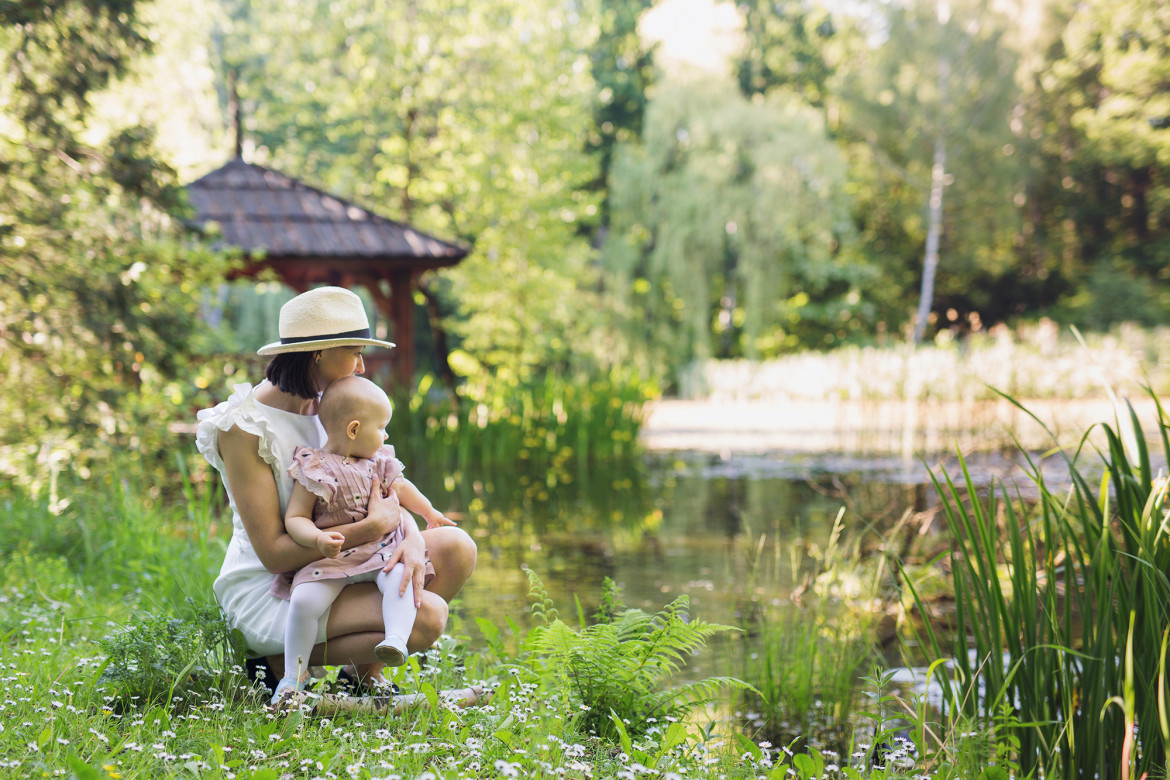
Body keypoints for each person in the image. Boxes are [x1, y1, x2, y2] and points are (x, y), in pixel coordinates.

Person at [195, 286, 476, 694]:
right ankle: (273, 662)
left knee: (457, 548)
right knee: (429, 616)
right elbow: (274, 554)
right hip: (276, 584)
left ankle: (361, 680)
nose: (361, 365)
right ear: (318, 353)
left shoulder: (341, 404)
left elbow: (382, 488)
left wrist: (412, 536)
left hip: (349, 558)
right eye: (355, 351)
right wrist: (369, 529)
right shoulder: (244, 427)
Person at [271, 375, 454, 703]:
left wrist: (429, 513)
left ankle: (395, 641)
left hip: (382, 551)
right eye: (382, 427)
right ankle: (291, 677)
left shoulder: (379, 461)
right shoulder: (313, 468)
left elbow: (404, 489)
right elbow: (295, 517)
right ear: (354, 430)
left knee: (399, 579)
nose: (386, 434)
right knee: (303, 602)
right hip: (333, 557)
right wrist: (316, 540)